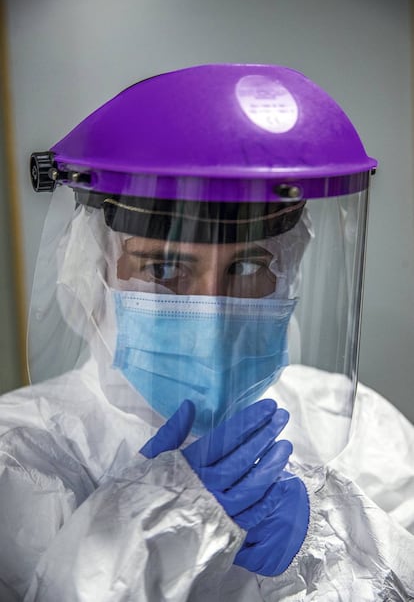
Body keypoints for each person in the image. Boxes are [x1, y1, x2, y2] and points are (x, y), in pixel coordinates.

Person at [0, 63, 413, 601]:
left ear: (288, 269)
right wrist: (130, 540)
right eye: (164, 270)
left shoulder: (364, 435)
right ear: (93, 268)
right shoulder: (20, 460)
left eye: (246, 268)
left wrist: (329, 548)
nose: (212, 315)